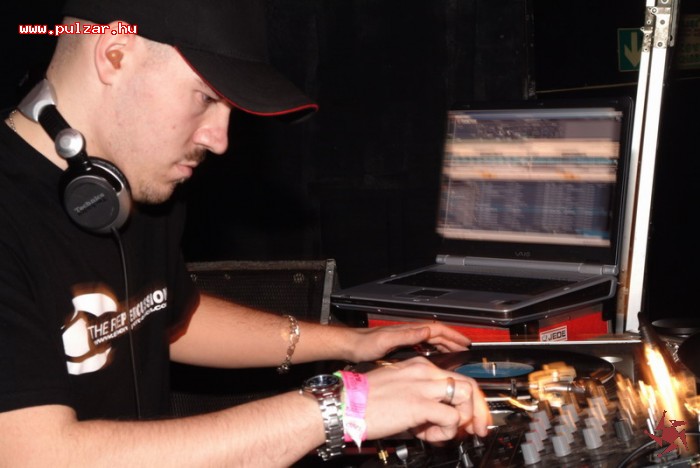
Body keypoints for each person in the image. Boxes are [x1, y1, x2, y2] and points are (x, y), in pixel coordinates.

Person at [0, 0, 491, 465]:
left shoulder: (134, 178)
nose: (220, 140)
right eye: (206, 98)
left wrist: (349, 344)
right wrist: (340, 408)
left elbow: (168, 316)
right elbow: (37, 457)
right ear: (114, 55)